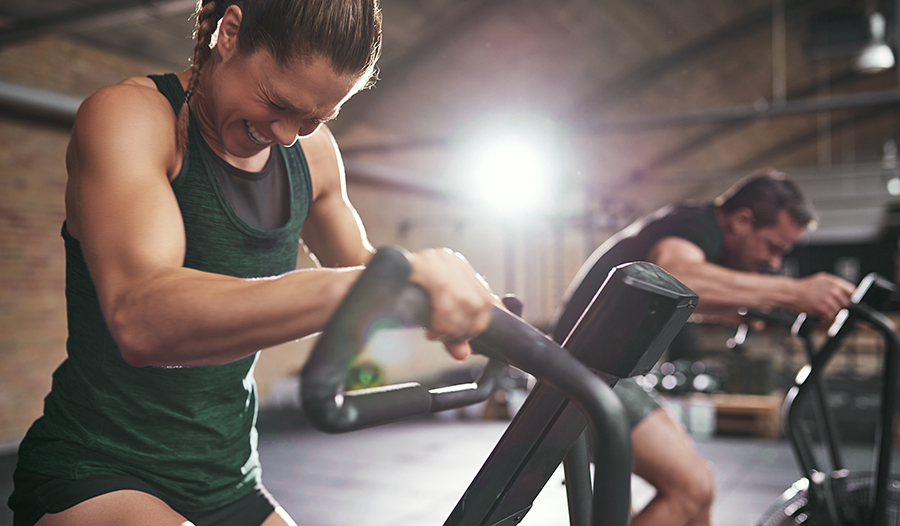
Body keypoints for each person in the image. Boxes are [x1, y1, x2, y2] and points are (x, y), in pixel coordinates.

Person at [7, 1, 499, 525]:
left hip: (227, 476)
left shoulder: (313, 157)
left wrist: (449, 294)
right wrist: (357, 288)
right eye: (278, 102)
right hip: (97, 469)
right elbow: (141, 315)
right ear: (230, 33)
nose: (288, 133)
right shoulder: (130, 118)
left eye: (314, 118)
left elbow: (362, 265)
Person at [551, 170, 855, 526]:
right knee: (692, 488)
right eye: (773, 247)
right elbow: (675, 274)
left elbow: (680, 295)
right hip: (579, 375)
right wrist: (795, 292)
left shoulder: (704, 237)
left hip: (608, 376)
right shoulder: (694, 223)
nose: (774, 262)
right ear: (742, 221)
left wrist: (749, 310)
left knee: (696, 499)